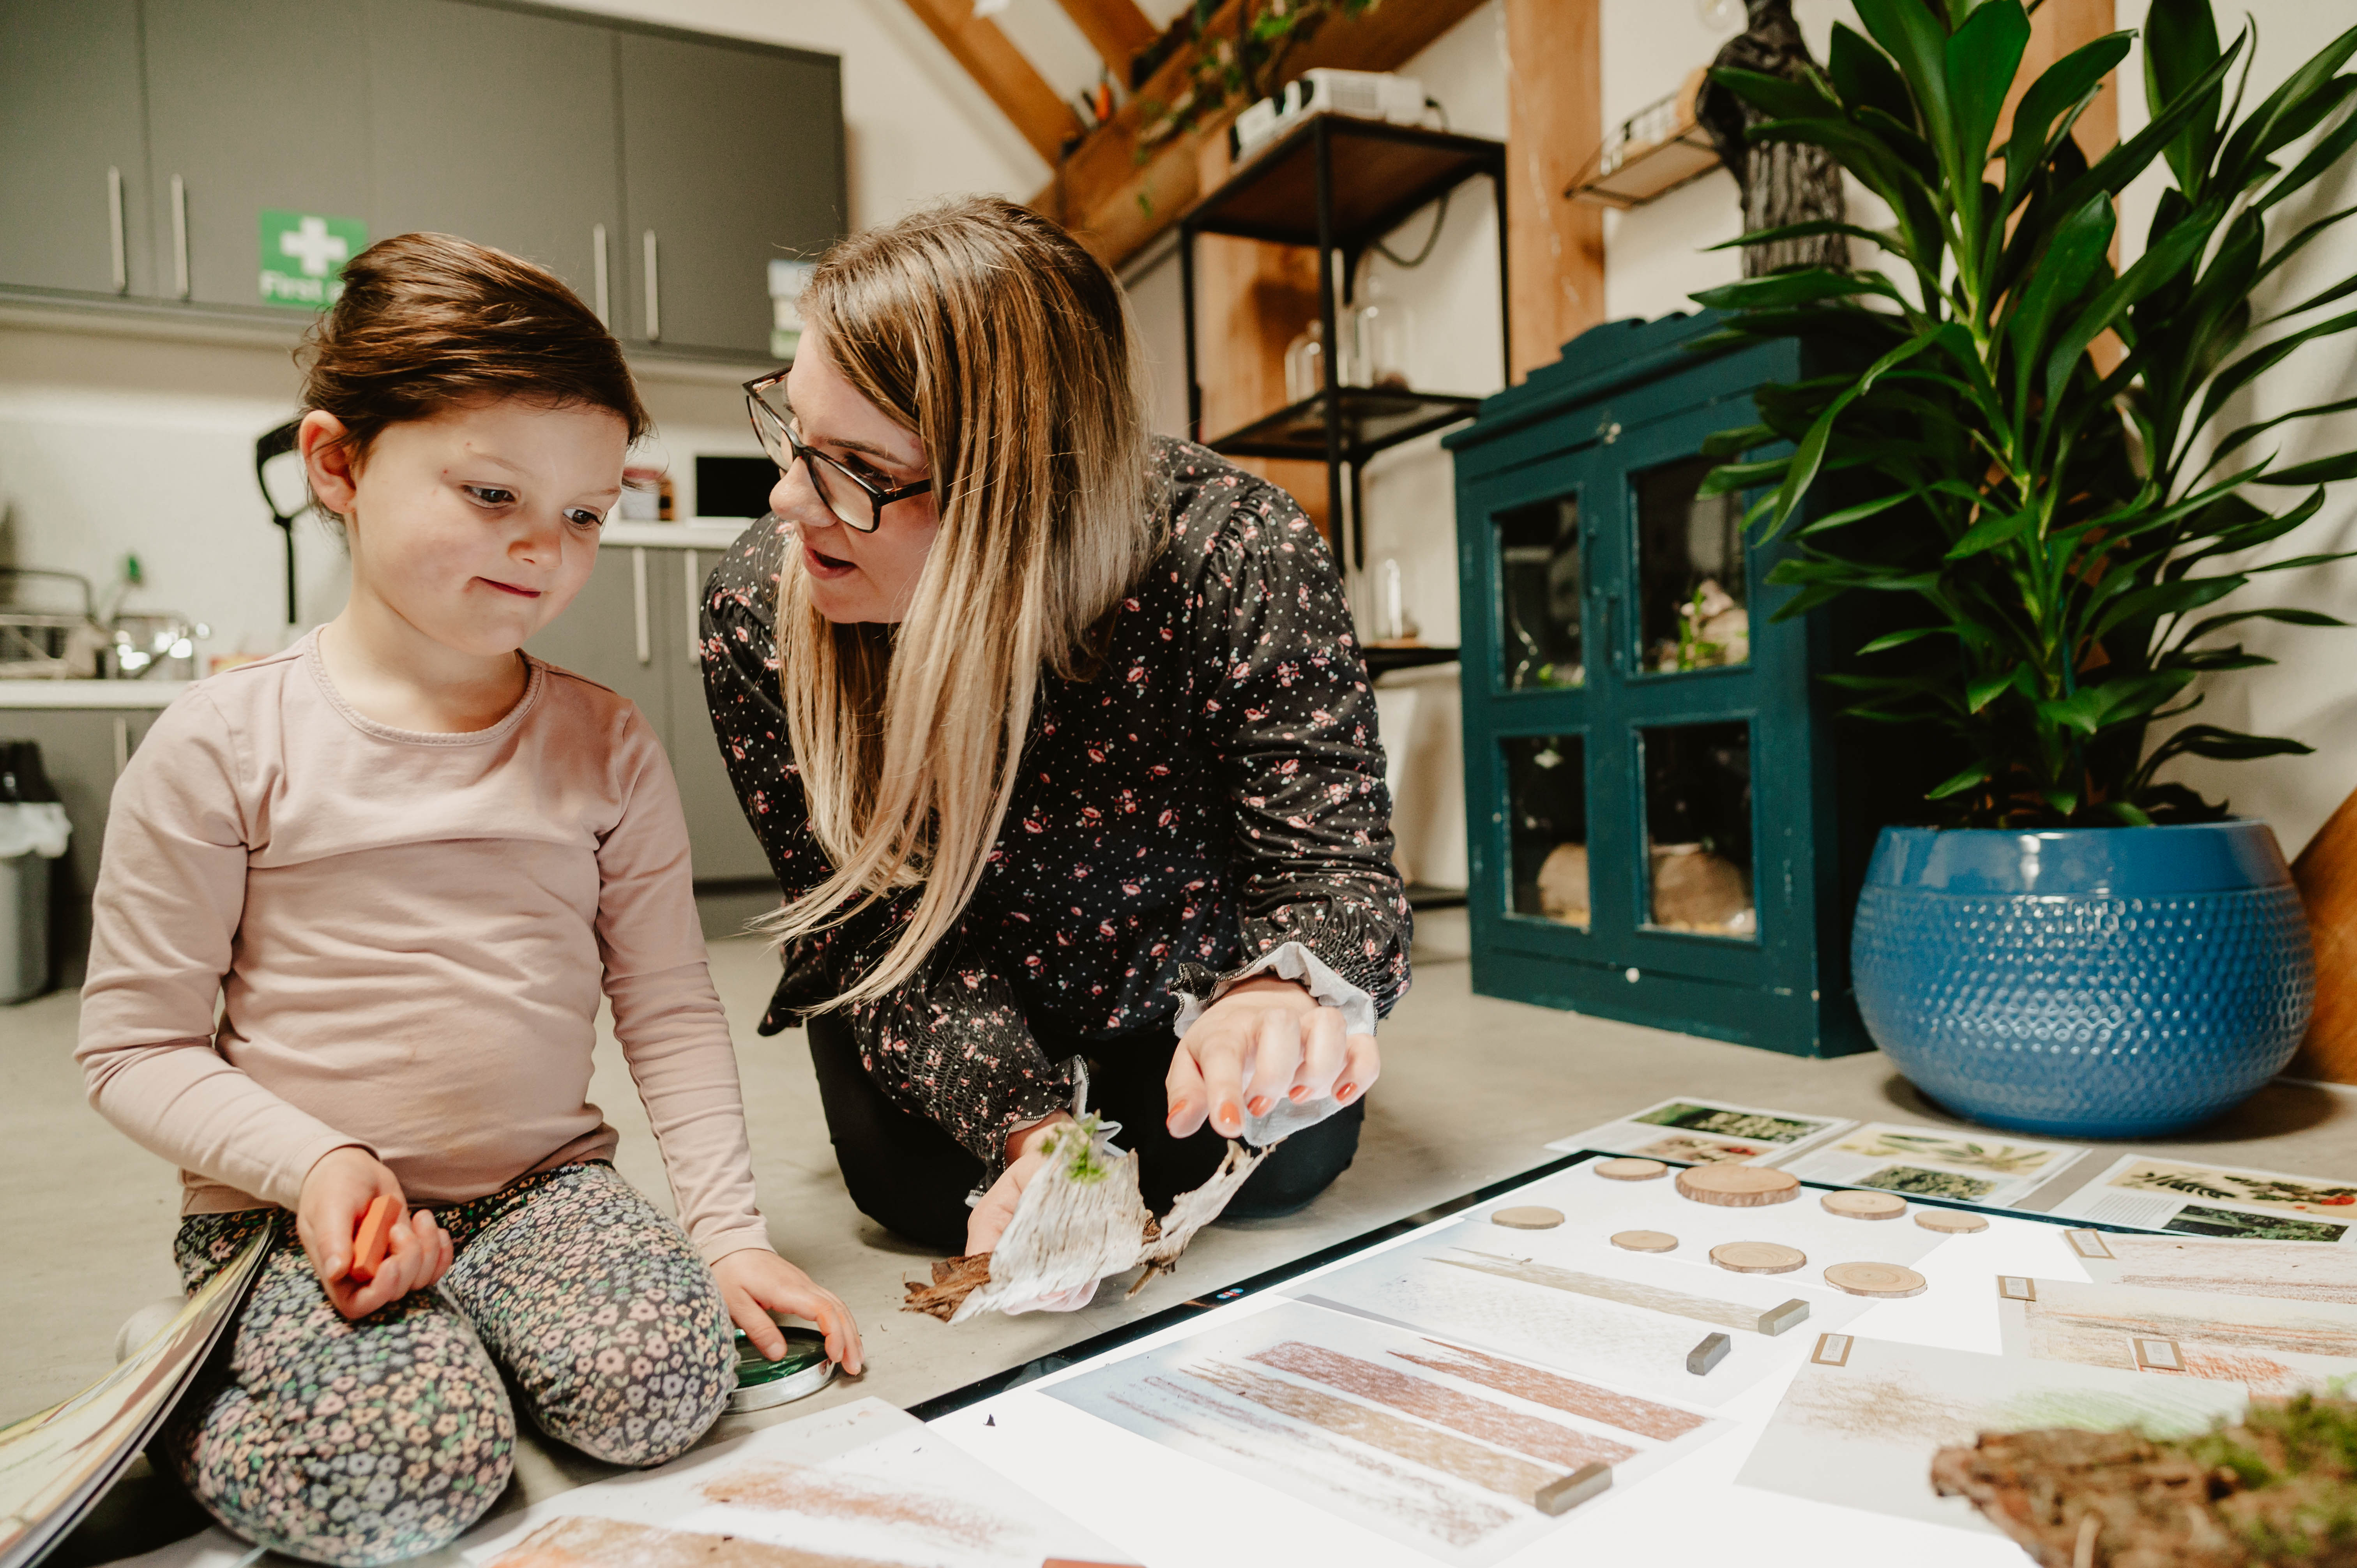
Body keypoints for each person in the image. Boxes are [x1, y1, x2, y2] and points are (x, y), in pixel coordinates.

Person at [76, 233, 861, 1567]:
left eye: (584, 514)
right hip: (292, 1219)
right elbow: (132, 1048)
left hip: (538, 1193)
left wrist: (725, 1237)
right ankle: (185, 1369)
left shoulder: (606, 744)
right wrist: (318, 1165)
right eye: (492, 492)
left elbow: (669, 1009)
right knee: (407, 1480)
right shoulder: (219, 741)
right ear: (339, 463)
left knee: (668, 1389)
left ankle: (482, 1345)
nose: (543, 550)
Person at [702, 197, 1411, 1278]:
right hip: (932, 993)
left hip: (1183, 980)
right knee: (931, 1197)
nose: (787, 498)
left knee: (1271, 1162)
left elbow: (1333, 865)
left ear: (1020, 493)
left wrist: (1278, 996)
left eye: (850, 466)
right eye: (794, 431)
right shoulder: (761, 607)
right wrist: (1025, 1129)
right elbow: (859, 934)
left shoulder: (1236, 552)